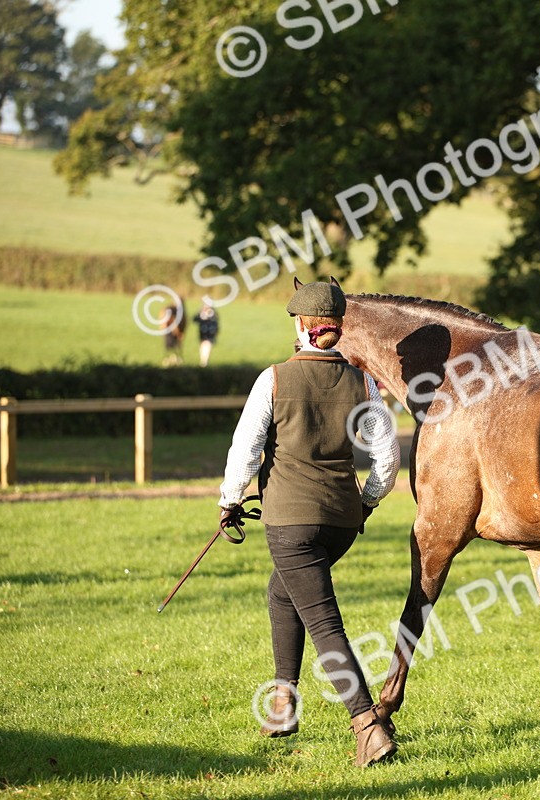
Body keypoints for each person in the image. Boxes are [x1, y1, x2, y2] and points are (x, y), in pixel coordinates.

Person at [218, 281, 401, 767]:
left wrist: (229, 500)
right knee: (283, 593)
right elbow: (387, 457)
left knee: (323, 621)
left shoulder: (274, 379)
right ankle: (283, 704)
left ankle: (367, 726)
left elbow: (246, 448)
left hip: (290, 524)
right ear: (336, 327)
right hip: (341, 522)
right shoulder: (363, 384)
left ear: (302, 325)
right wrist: (366, 502)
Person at [162, 300, 186, 365]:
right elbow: (172, 322)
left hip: (169, 331)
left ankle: (171, 359)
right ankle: (171, 360)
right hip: (171, 332)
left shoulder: (172, 309)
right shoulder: (173, 310)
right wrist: (178, 333)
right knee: (173, 347)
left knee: (171, 347)